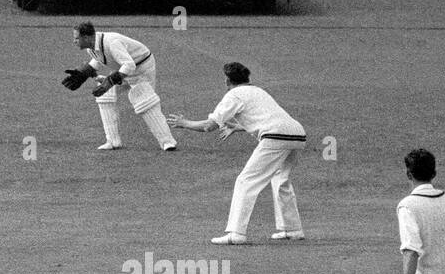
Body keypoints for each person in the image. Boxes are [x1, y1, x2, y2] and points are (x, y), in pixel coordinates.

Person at [168, 61, 305, 243]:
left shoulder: (234, 95)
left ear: (227, 81)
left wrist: (185, 123)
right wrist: (238, 127)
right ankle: (293, 229)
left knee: (246, 181)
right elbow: (268, 118)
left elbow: (209, 126)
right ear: (248, 78)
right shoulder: (258, 91)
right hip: (298, 134)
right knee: (281, 179)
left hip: (275, 137)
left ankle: (236, 234)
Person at [66, 22, 176, 152]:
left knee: (144, 99)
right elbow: (99, 60)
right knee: (106, 95)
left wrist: (109, 82)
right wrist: (84, 72)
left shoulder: (111, 43)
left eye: (76, 38)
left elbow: (129, 65)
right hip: (122, 69)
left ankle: (167, 142)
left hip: (142, 68)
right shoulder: (91, 47)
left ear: (86, 37)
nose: (74, 41)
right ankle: (112, 141)